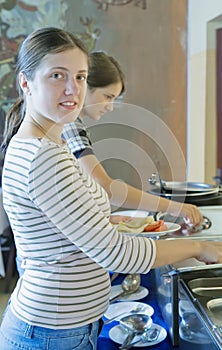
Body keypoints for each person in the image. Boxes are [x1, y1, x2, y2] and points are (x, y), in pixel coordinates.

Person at [1, 27, 222, 350]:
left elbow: (65, 229)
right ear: (26, 82)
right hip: (52, 332)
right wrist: (198, 248)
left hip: (61, 325)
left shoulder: (49, 142)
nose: (71, 89)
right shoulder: (42, 155)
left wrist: (107, 222)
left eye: (79, 77)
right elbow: (115, 253)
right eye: (57, 76)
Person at [62, 51, 203, 227]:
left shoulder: (74, 125)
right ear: (85, 85)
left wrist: (107, 219)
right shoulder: (70, 125)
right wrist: (175, 207)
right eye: (108, 96)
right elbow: (105, 185)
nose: (110, 107)